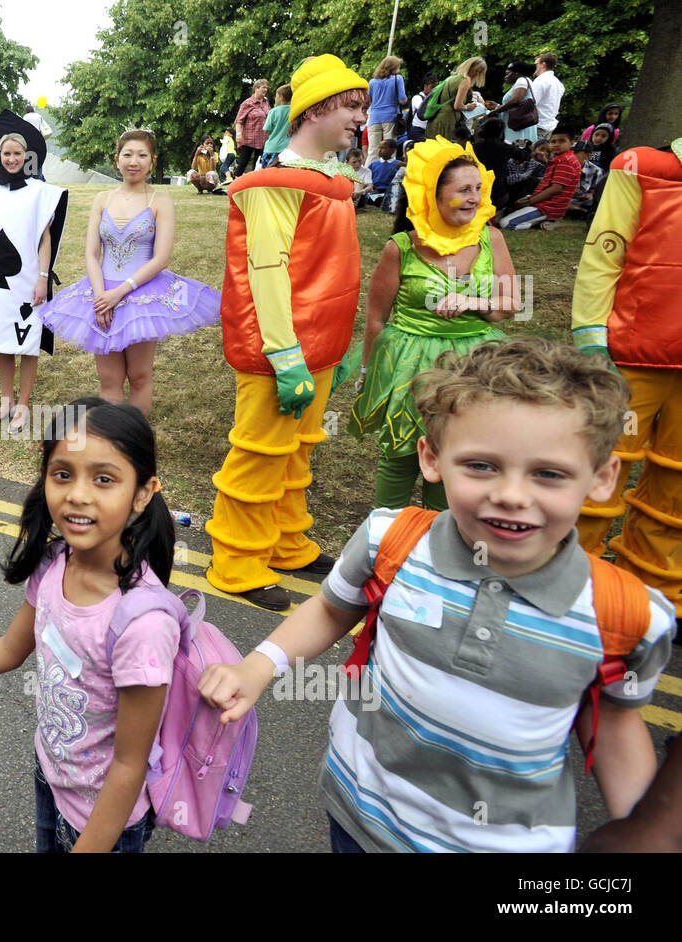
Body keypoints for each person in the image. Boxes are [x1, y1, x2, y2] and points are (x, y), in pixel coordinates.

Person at [201, 336, 674, 853]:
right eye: (481, 465)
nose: (511, 495)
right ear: (431, 458)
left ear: (603, 478)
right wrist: (258, 667)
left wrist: (647, 831)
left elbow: (615, 727)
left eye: (548, 474)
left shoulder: (628, 615)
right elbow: (332, 609)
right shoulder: (391, 541)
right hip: (359, 813)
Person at [0, 398, 178, 853]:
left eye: (104, 479)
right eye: (63, 473)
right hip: (53, 776)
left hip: (104, 824)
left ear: (143, 492)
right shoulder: (55, 563)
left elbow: (128, 765)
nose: (78, 494)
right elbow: (9, 649)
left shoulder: (143, 624)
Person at [208, 54, 368, 611]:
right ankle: (237, 559)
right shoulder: (272, 183)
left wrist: (336, 349)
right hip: (284, 349)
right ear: (314, 110)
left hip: (318, 345)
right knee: (260, 451)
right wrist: (285, 355)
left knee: (298, 450)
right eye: (350, 107)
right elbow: (267, 271)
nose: (358, 119)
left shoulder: (326, 180)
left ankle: (285, 541)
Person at [349, 137, 518, 510]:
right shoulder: (401, 248)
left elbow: (511, 305)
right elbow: (376, 318)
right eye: (463, 190)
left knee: (456, 456)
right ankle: (386, 536)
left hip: (472, 365)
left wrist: (474, 301)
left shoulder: (492, 239)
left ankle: (438, 542)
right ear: (433, 195)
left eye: (478, 188)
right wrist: (367, 370)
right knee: (400, 453)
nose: (474, 198)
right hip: (409, 363)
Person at [573, 134, 682, 625]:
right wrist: (592, 337)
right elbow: (604, 252)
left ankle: (658, 595)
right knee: (599, 469)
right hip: (634, 353)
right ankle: (570, 583)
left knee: (676, 486)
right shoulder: (642, 167)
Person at [40, 129, 220, 416]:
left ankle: (135, 444)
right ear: (117, 159)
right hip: (100, 291)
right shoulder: (102, 199)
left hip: (141, 294)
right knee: (109, 379)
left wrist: (118, 293)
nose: (133, 161)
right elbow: (91, 253)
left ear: (152, 161)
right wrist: (101, 297)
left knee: (139, 376)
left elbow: (161, 258)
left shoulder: (160, 201)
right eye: (127, 154)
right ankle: (112, 445)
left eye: (141, 155)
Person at [0, 110, 69, 436]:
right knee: (2, 340)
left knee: (27, 341)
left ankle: (23, 404)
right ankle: (6, 401)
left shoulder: (40, 193)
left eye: (17, 154)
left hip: (27, 281)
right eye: (6, 154)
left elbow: (44, 239)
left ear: (27, 157)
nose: (11, 159)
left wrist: (42, 277)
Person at [498, 121, 580, 230]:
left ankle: (541, 223)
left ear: (572, 142)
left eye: (562, 141)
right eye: (553, 141)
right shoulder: (560, 159)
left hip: (547, 208)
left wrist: (530, 202)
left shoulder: (566, 161)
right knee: (505, 215)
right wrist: (529, 199)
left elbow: (556, 189)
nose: (556, 144)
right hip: (541, 203)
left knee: (505, 223)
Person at [424, 58, 487, 143]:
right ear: (470, 66)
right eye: (476, 71)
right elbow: (457, 106)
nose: (476, 74)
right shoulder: (465, 80)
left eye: (479, 72)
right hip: (447, 121)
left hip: (436, 119)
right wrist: (468, 107)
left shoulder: (453, 77)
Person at [366, 55, 407, 166]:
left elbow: (368, 101)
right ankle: (389, 175)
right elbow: (402, 100)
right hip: (390, 117)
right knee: (390, 149)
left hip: (374, 118)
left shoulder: (372, 82)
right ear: (394, 67)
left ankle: (368, 177)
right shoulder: (397, 79)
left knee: (373, 150)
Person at [487, 62, 538, 147]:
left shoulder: (521, 80)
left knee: (519, 149)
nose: (505, 76)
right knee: (518, 148)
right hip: (516, 125)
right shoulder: (522, 81)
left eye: (507, 73)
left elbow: (516, 100)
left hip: (518, 126)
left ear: (516, 73)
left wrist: (497, 111)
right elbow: (515, 104)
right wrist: (498, 106)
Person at [233, 79, 272, 175]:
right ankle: (234, 183)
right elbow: (239, 120)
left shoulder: (266, 102)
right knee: (243, 162)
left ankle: (255, 184)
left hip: (263, 139)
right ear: (256, 88)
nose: (266, 89)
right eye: (263, 87)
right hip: (249, 139)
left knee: (259, 163)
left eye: (267, 88)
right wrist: (238, 134)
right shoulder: (247, 103)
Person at [531, 52, 565, 142]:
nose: (535, 67)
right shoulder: (558, 83)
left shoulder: (541, 81)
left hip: (538, 126)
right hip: (550, 127)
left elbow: (531, 103)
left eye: (536, 64)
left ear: (543, 64)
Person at [260, 86, 292, 168]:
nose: (275, 98)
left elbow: (266, 130)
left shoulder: (273, 112)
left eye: (276, 96)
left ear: (281, 97)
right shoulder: (294, 111)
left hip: (272, 148)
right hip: (288, 149)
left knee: (267, 175)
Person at [407, 74, 436, 143]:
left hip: (429, 131)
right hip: (418, 131)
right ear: (425, 86)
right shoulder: (417, 98)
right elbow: (423, 109)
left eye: (436, 88)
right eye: (432, 87)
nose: (434, 90)